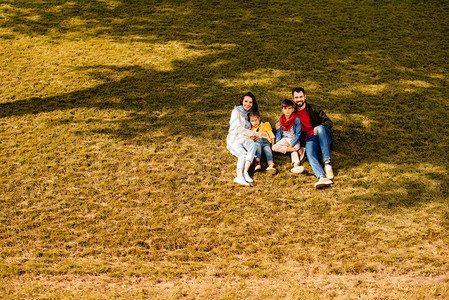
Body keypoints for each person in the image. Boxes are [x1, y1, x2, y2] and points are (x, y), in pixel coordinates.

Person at [291, 87, 334, 189]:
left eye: (301, 97)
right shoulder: (292, 113)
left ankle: (327, 163)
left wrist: (319, 127)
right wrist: (279, 124)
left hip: (322, 135)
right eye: (296, 97)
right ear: (293, 99)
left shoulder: (314, 109)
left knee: (320, 129)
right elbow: (285, 124)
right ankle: (322, 177)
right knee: (310, 153)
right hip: (310, 139)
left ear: (305, 97)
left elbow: (329, 122)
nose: (299, 99)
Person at [226, 92, 269, 186]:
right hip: (234, 138)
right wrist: (257, 133)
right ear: (242, 101)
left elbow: (257, 122)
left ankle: (246, 172)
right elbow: (239, 129)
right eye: (246, 101)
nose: (248, 104)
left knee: (253, 146)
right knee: (243, 154)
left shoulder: (250, 113)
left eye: (250, 102)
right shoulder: (236, 112)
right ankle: (239, 176)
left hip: (245, 138)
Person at [272, 99, 304, 174]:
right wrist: (277, 143)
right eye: (285, 108)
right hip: (284, 139)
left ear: (293, 109)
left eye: (289, 108)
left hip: (294, 139)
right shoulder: (280, 121)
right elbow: (279, 133)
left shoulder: (296, 120)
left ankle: (296, 165)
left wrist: (292, 145)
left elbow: (298, 134)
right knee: (274, 147)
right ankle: (295, 150)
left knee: (294, 150)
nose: (287, 110)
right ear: (282, 110)